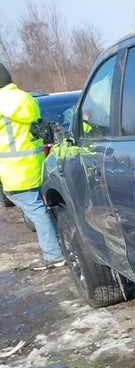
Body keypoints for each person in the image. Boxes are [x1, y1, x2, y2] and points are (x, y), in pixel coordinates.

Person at [0, 62, 65, 271]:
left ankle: (55, 255)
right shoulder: (25, 98)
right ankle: (61, 246)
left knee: (36, 211)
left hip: (13, 169)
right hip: (33, 164)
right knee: (42, 208)